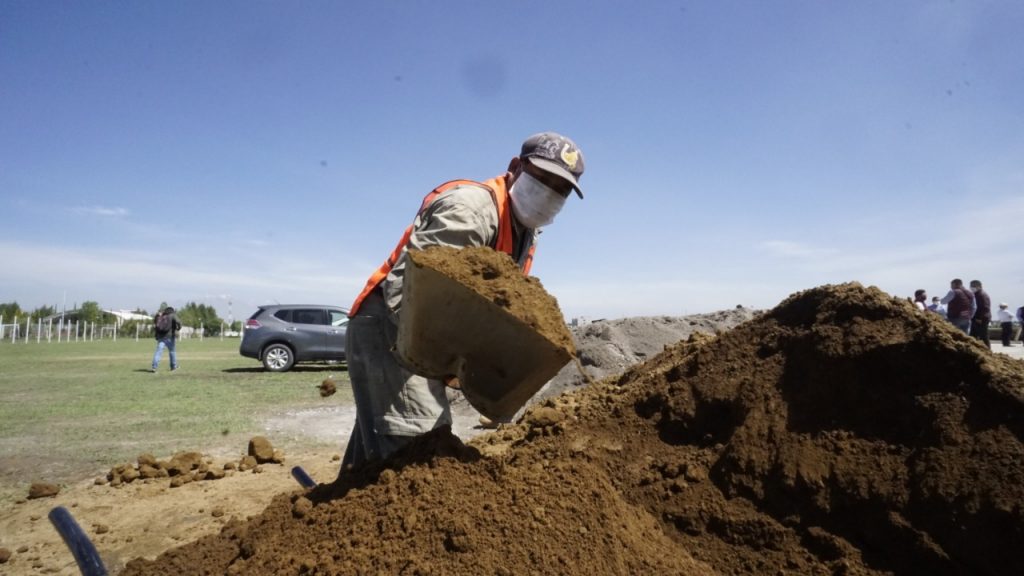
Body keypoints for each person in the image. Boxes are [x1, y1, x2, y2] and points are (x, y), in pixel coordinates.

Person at [341, 132, 585, 470]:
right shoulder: (469, 211)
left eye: (560, 189)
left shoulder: (525, 232)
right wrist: (455, 364)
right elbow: (412, 293)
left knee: (376, 456)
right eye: (542, 178)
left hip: (417, 333)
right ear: (516, 167)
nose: (549, 193)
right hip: (393, 329)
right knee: (420, 444)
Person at [151, 306, 181, 372]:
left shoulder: (161, 316)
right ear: (172, 311)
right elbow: (178, 322)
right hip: (170, 337)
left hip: (161, 337)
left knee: (158, 352)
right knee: (172, 351)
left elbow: (156, 325)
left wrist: (157, 336)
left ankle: (154, 367)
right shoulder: (172, 315)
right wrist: (178, 328)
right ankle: (173, 367)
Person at [969, 279, 991, 347]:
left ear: (979, 286)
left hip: (981, 319)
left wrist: (980, 318)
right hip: (975, 318)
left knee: (983, 336)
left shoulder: (982, 295)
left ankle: (987, 350)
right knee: (973, 336)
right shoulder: (976, 294)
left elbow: (985, 307)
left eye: (974, 286)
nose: (972, 287)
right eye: (971, 286)